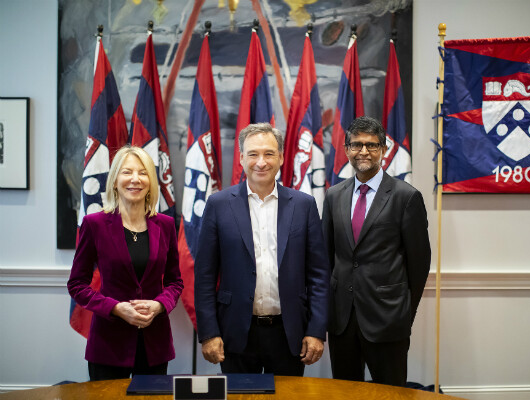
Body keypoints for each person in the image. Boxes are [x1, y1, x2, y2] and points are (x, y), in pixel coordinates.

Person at [195, 122, 329, 376]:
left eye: (269, 153)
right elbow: (204, 277)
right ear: (241, 158)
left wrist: (315, 330)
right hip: (236, 332)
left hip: (289, 332)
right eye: (253, 154)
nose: (261, 162)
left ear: (280, 157)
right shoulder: (218, 205)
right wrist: (209, 333)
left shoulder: (304, 205)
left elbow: (319, 275)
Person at [322, 116, 431, 387]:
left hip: (387, 320)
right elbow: (326, 257)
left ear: (383, 150)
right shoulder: (334, 195)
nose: (363, 152)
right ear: (346, 149)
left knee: (391, 392)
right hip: (342, 321)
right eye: (356, 145)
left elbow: (419, 264)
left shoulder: (406, 197)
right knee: (345, 392)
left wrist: (403, 313)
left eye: (372, 145)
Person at [68, 145, 183, 381]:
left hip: (154, 345)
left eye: (142, 173)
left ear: (151, 181)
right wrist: (115, 308)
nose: (135, 179)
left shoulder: (166, 225)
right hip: (108, 344)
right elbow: (77, 284)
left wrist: (159, 305)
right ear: (114, 180)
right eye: (127, 172)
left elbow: (175, 282)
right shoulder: (94, 224)